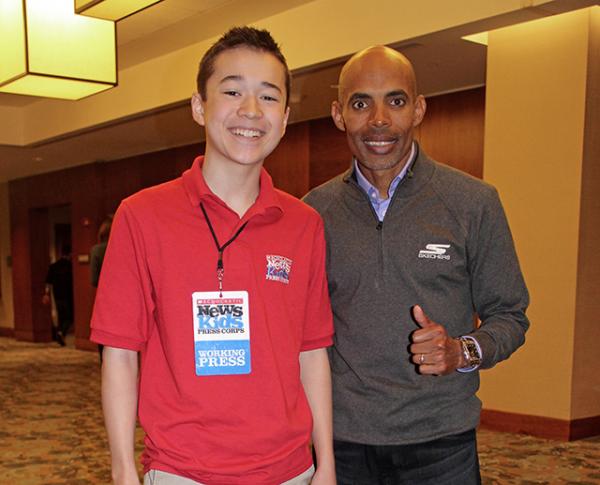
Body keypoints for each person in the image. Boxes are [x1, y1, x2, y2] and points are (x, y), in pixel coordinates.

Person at [91, 27, 335, 485]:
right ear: (199, 107)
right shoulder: (141, 216)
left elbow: (313, 352)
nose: (250, 111)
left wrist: (326, 465)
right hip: (182, 471)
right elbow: (120, 352)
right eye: (232, 91)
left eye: (268, 97)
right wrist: (123, 468)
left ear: (284, 118)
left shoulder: (304, 224)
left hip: (290, 471)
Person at [303, 45, 529, 484]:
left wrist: (460, 351)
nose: (380, 120)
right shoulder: (313, 212)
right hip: (343, 441)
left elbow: (511, 316)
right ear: (338, 114)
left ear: (419, 109)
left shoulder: (473, 202)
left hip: (442, 442)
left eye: (397, 100)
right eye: (361, 103)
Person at [90, 215, 112, 361]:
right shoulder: (127, 248)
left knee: (105, 342)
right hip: (129, 301)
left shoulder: (97, 250)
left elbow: (94, 279)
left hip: (106, 300)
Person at [42, 244, 73, 347]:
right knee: (69, 317)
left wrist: (46, 294)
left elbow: (48, 282)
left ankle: (60, 334)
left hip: (57, 295)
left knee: (61, 316)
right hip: (68, 296)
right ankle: (61, 332)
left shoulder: (54, 266)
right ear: (70, 254)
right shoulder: (70, 266)